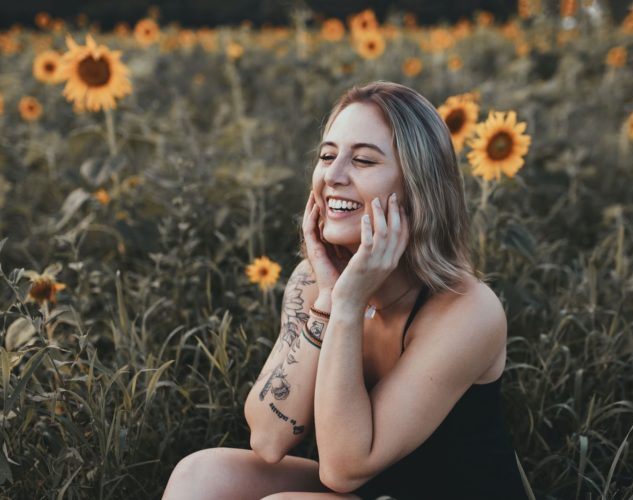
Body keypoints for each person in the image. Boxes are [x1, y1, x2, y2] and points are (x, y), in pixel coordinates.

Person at [163, 81, 527, 500]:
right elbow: (268, 437)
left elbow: (342, 470)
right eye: (327, 155)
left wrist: (348, 304)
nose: (333, 177)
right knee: (199, 477)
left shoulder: (467, 309)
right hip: (375, 493)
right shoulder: (312, 279)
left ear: (416, 187)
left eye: (364, 161)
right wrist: (326, 300)